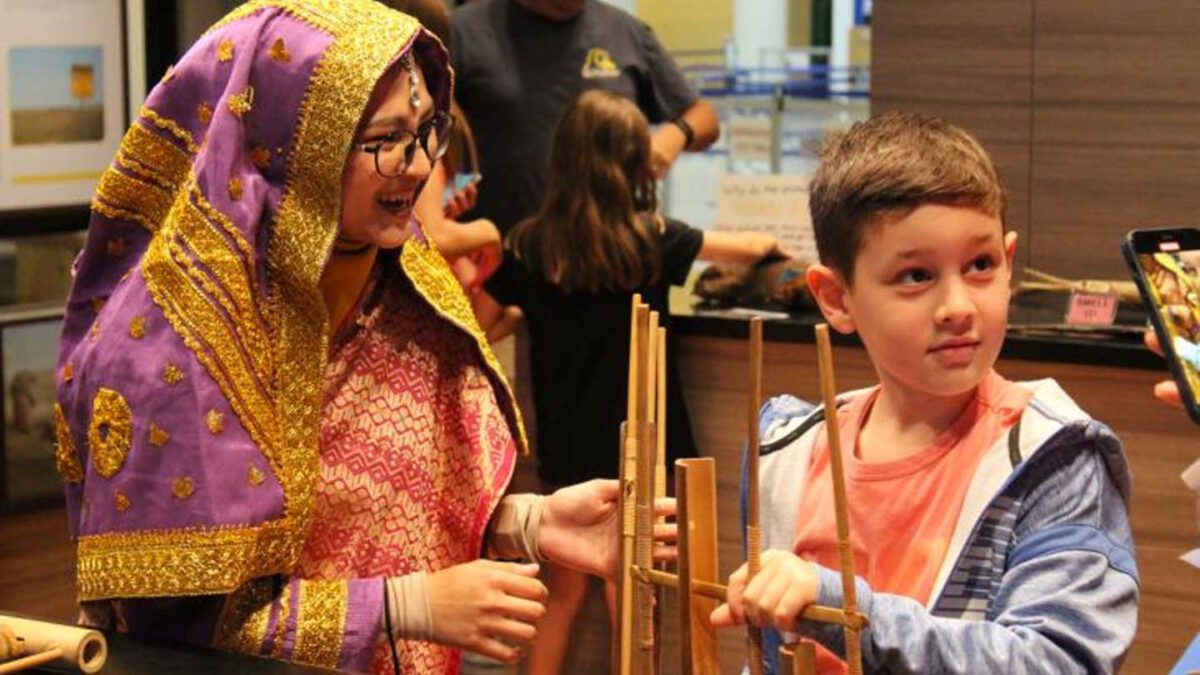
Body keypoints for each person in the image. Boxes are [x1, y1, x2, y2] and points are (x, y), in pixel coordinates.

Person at [54, 3, 670, 673]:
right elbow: (177, 630)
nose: (419, 165)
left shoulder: (401, 296)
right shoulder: (174, 346)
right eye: (386, 139)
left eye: (428, 130)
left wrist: (528, 522)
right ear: (285, 146)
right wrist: (405, 605)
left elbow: (382, 501)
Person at [710, 111, 1139, 674]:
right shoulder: (788, 450)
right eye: (916, 276)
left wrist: (842, 608)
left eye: (980, 265)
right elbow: (771, 654)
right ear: (836, 297)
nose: (959, 306)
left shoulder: (1055, 458)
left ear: (1009, 266)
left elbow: (1057, 661)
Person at [473, 89, 786, 674]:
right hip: (644, 436)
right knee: (633, 595)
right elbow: (746, 249)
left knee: (559, 596)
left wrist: (527, 311)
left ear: (563, 160)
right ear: (634, 165)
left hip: (566, 443)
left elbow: (480, 328)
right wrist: (774, 249)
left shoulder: (530, 245)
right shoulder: (653, 239)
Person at [449, 0, 720, 235]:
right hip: (498, 256)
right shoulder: (464, 33)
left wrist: (675, 135)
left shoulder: (625, 33)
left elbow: (703, 117)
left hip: (603, 257)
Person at [383, 0, 503, 290]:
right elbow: (433, 235)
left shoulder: (436, 116)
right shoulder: (425, 117)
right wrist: (488, 232)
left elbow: (427, 227)